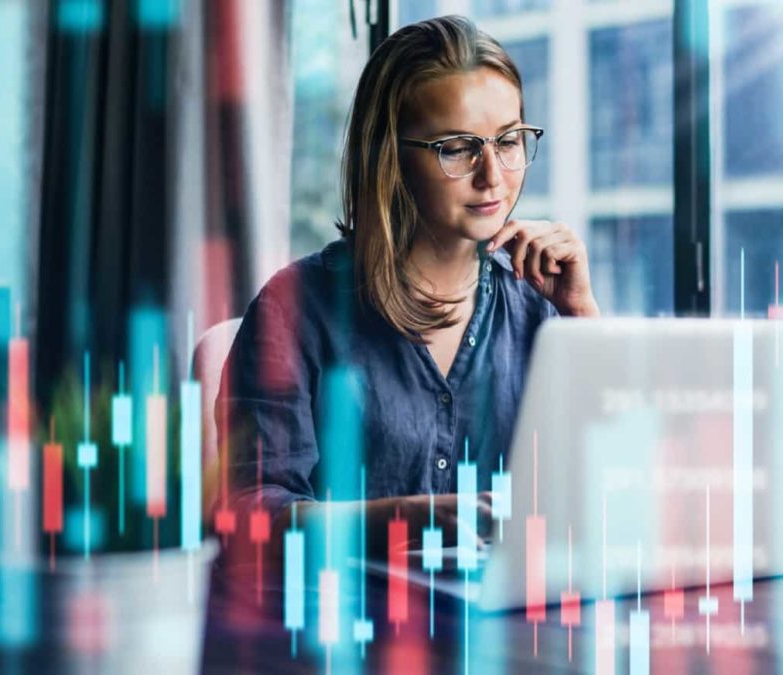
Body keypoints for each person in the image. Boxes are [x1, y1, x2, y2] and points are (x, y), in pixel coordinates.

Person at [217, 15, 598, 556]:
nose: (493, 175)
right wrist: (398, 520)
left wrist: (582, 314)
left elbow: (617, 492)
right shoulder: (295, 308)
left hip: (506, 628)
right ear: (390, 156)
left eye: (509, 141)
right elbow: (247, 515)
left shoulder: (541, 307)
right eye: (457, 148)